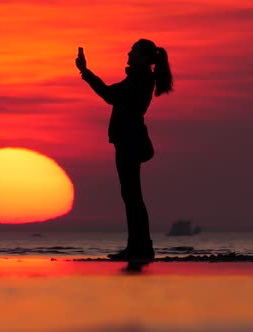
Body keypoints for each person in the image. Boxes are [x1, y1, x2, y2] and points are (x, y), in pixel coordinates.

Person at [76, 39, 173, 262]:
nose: (128, 53)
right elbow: (111, 94)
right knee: (131, 195)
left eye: (133, 51)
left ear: (143, 57)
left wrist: (85, 72)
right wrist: (86, 72)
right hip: (127, 140)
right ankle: (138, 246)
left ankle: (139, 248)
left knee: (132, 195)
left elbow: (110, 96)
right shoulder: (137, 78)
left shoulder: (140, 79)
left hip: (130, 141)